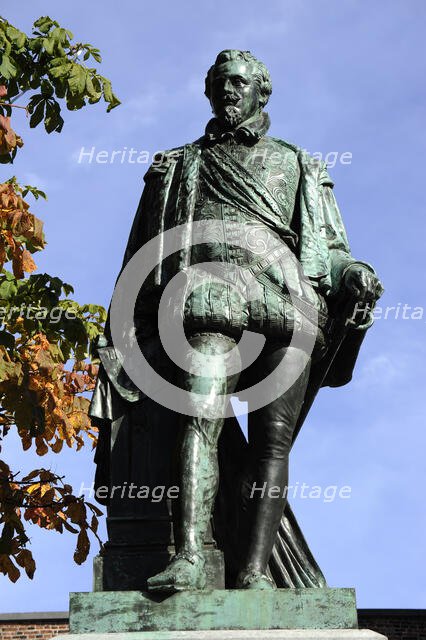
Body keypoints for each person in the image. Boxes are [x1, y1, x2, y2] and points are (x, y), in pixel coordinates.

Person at [89, 49, 383, 593]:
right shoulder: (175, 165)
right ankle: (192, 556)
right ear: (208, 91)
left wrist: (355, 273)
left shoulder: (297, 162)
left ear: (261, 93)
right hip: (208, 298)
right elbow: (138, 260)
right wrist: (121, 335)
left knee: (274, 443)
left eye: (240, 83)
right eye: (221, 83)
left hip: (287, 303)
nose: (230, 91)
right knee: (201, 415)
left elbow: (333, 250)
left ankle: (252, 573)